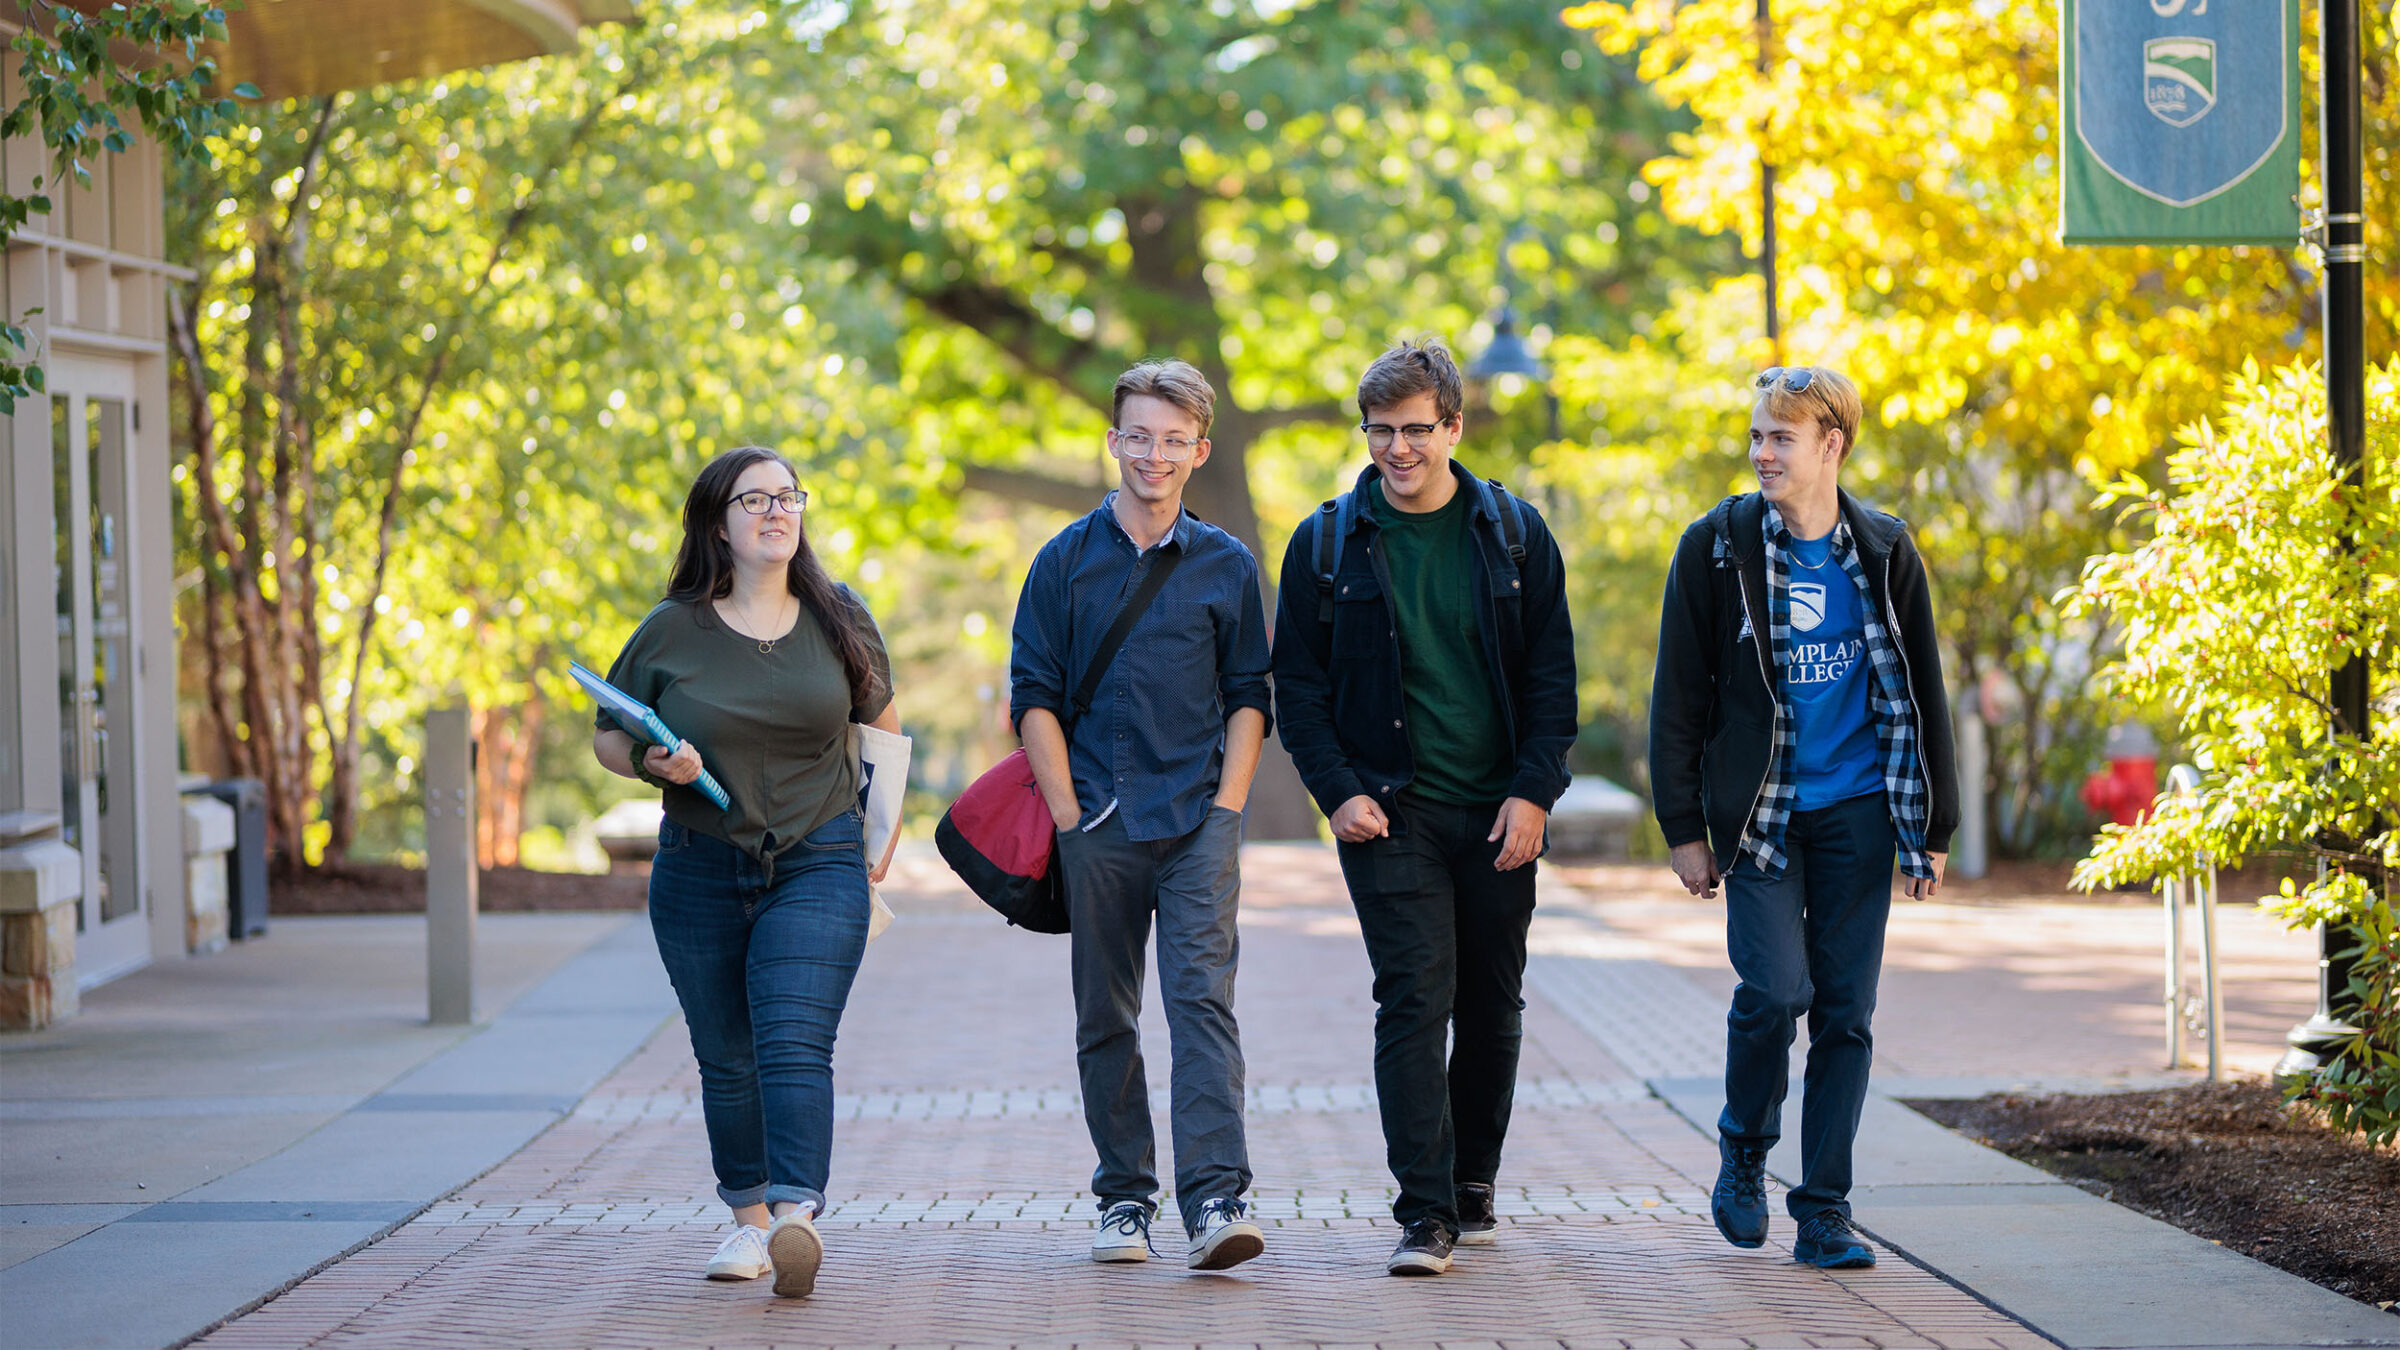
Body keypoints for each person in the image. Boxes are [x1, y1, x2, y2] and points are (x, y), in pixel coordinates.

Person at [1271, 338, 1577, 1276]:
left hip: (1496, 815)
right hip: (1389, 815)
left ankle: (1472, 1182)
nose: (1397, 450)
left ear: (1452, 427)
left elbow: (1552, 680)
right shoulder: (1326, 544)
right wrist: (1339, 792)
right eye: (1380, 431)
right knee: (1414, 998)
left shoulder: (1515, 534)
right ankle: (1424, 1211)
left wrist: (1533, 792)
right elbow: (1298, 686)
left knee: (1491, 1002)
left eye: (1415, 430)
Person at [1647, 366, 1959, 1270]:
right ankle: (1744, 1154)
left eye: (1781, 438)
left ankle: (1824, 1210)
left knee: (1849, 1016)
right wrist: (1683, 828)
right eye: (1755, 436)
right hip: (1763, 820)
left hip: (1860, 814)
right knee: (1775, 992)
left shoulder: (1886, 549)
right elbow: (1679, 698)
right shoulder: (1716, 546)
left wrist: (1930, 831)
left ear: (1833, 444)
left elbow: (1922, 694)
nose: (1761, 453)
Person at [592, 445, 902, 1299]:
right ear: (718, 524)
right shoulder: (671, 628)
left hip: (820, 857)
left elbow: (882, 734)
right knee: (727, 1055)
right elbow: (609, 734)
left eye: (788, 497)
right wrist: (660, 765)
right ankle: (749, 1225)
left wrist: (879, 846)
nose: (776, 511)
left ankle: (797, 1217)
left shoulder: (839, 615)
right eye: (753, 499)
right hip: (699, 866)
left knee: (794, 1039)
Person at [1009, 358, 1274, 1271]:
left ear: (1198, 451)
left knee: (1202, 1007)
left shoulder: (1226, 566)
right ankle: (1125, 1199)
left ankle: (1216, 1201)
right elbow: (1032, 695)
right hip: (1100, 827)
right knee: (1107, 1015)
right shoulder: (1063, 562)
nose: (1153, 455)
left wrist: (1230, 808)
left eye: (1173, 440)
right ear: (1113, 440)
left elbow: (1250, 694)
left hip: (1200, 822)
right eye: (1139, 436)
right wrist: (1070, 814)